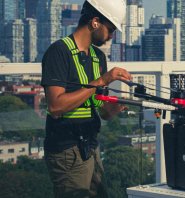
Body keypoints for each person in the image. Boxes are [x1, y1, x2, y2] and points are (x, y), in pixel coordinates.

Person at [41, 0, 129, 197]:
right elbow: (55, 106)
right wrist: (102, 80)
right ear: (95, 22)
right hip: (67, 151)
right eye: (111, 29)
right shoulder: (59, 52)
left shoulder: (98, 57)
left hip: (90, 146)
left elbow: (102, 111)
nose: (111, 37)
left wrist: (119, 104)